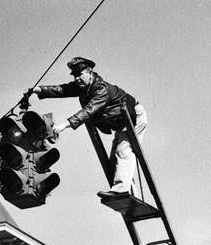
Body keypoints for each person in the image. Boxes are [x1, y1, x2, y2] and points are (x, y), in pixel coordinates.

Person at [30, 57, 147, 199]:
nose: (77, 79)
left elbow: (89, 110)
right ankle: (130, 195)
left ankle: (121, 190)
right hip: (121, 122)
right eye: (75, 76)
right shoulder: (83, 87)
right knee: (114, 162)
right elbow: (62, 90)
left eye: (80, 74)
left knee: (123, 151)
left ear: (90, 72)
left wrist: (66, 125)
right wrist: (39, 90)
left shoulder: (101, 89)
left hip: (134, 118)